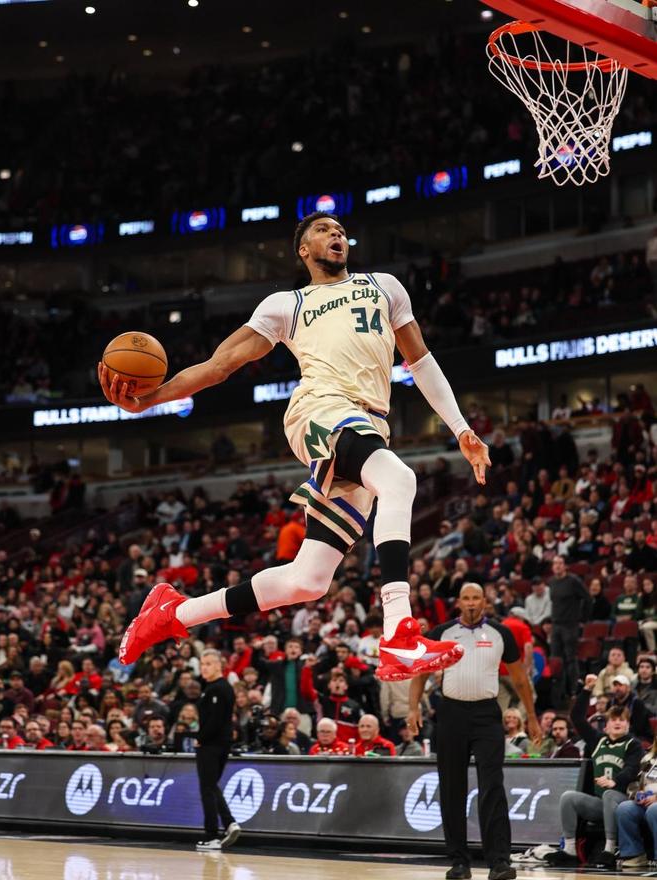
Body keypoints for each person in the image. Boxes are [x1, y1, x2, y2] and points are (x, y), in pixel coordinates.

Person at [100, 212, 491, 680]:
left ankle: (173, 613)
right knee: (399, 479)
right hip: (321, 409)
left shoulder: (385, 287)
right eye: (323, 230)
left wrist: (461, 429)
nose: (336, 234)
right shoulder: (288, 304)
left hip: (369, 424)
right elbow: (220, 364)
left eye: (340, 230)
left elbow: (421, 361)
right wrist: (152, 399)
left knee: (308, 580)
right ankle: (399, 634)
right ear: (304, 249)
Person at [408, 583, 541, 880]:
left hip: (487, 715)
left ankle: (499, 862)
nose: (471, 603)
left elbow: (520, 679)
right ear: (459, 602)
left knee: (492, 785)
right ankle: (459, 862)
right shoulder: (442, 633)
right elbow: (420, 672)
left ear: (484, 602)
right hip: (451, 714)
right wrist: (413, 707)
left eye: (476, 598)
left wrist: (531, 717)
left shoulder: (500, 633)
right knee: (451, 787)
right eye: (466, 598)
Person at [545, 674, 643, 869]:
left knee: (609, 794)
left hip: (624, 800)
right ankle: (570, 849)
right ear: (606, 725)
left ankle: (610, 849)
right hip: (601, 803)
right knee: (568, 797)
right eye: (613, 720)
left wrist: (616, 781)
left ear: (628, 724)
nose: (618, 723)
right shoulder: (598, 740)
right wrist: (586, 690)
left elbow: (632, 768)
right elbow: (576, 718)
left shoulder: (633, 744)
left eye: (622, 720)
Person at [195, 649, 240, 852]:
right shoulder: (216, 687)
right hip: (220, 743)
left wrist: (201, 738)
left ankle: (212, 836)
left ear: (218, 665)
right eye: (202, 664)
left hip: (211, 745)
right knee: (211, 786)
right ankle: (229, 823)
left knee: (207, 789)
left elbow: (215, 720)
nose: (204, 668)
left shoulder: (218, 688)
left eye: (208, 664)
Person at [548, 556, 591, 698]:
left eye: (560, 563)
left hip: (570, 625)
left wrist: (582, 618)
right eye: (555, 563)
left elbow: (587, 598)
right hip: (556, 624)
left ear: (565, 566)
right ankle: (558, 692)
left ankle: (573, 690)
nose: (557, 566)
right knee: (555, 659)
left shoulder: (573, 581)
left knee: (570, 659)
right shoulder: (552, 582)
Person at [616, 732, 657, 869]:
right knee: (625, 808)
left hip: (654, 805)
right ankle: (634, 854)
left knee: (654, 809)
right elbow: (635, 783)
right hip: (646, 802)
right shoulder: (648, 759)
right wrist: (637, 795)